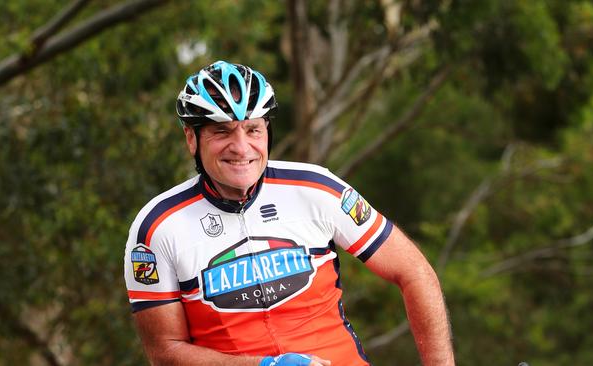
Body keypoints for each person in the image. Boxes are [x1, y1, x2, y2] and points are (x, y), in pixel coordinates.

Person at [124, 60, 455, 366]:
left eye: (252, 129)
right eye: (222, 131)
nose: (241, 147)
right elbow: (164, 352)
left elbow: (414, 271)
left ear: (268, 131)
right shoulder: (157, 228)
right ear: (192, 139)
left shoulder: (317, 188)